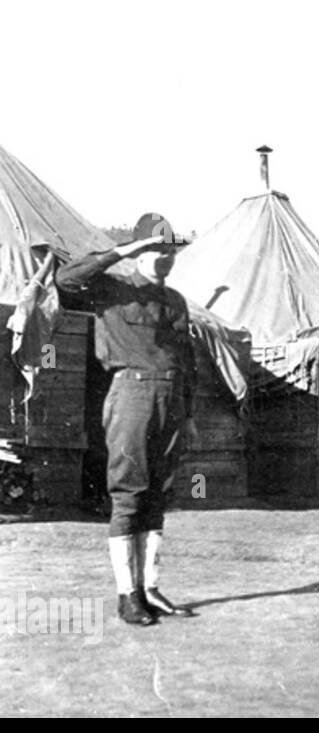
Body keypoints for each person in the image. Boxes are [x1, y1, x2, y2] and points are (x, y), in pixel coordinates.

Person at [56, 213, 199, 626]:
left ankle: (151, 587)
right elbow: (67, 279)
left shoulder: (175, 301)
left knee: (160, 493)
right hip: (132, 393)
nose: (164, 259)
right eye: (155, 251)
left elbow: (185, 361)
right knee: (129, 493)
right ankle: (127, 595)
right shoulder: (110, 288)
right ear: (138, 254)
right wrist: (122, 251)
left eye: (169, 252)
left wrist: (187, 413)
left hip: (170, 398)